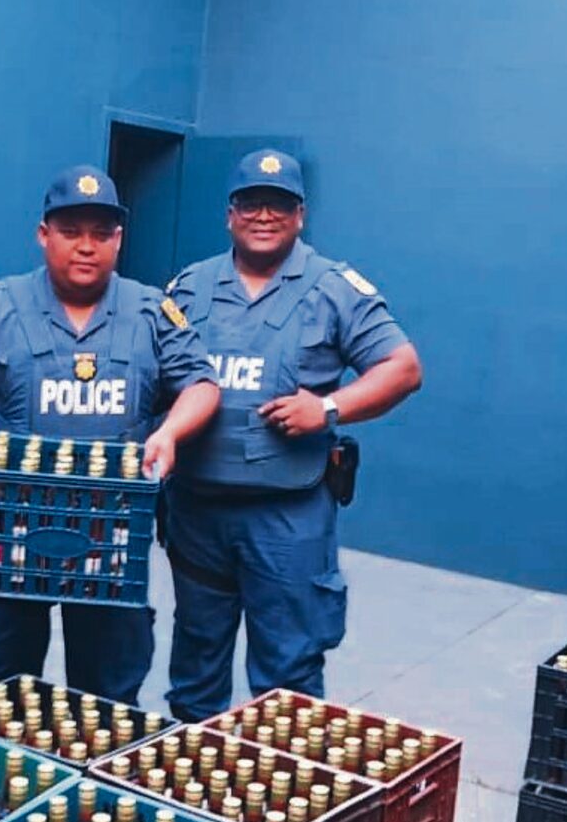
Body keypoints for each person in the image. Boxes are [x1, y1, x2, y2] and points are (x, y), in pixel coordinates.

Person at [0, 164, 220, 707]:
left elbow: (201, 382)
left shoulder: (150, 310)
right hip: (14, 529)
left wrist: (172, 431)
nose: (86, 246)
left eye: (101, 233)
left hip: (112, 537)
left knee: (109, 687)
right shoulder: (0, 306)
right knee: (1, 680)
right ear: (44, 235)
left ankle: (97, 786)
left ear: (118, 240)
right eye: (70, 231)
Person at [163, 148, 423, 720]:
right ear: (230, 214)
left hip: (288, 517)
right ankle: (189, 791)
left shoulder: (334, 287)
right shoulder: (188, 288)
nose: (264, 215)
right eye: (251, 203)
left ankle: (277, 797)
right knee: (195, 667)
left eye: (278, 205)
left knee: (288, 678)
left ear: (300, 215)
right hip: (198, 510)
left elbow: (403, 368)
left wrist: (327, 408)